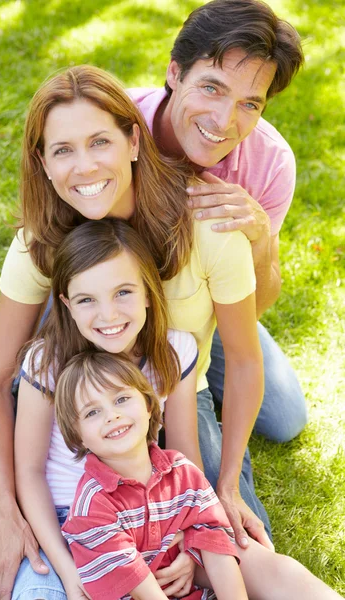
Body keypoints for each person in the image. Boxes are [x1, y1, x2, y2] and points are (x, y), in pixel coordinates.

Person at [0, 58, 280, 598]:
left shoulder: (207, 229)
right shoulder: (40, 241)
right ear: (43, 164)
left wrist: (221, 491)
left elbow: (242, 361)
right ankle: (12, 395)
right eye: (62, 151)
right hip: (67, 380)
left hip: (174, 385)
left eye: (99, 142)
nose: (83, 167)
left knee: (241, 539)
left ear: (132, 141)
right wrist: (7, 514)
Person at [128, 0, 308, 444]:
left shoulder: (270, 162)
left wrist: (261, 238)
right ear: (175, 72)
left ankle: (198, 386)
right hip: (106, 298)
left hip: (206, 307)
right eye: (211, 88)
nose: (224, 121)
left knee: (285, 418)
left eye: (250, 103)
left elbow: (257, 303)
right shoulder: (117, 125)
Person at [13, 218, 203, 599]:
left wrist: (191, 540)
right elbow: (30, 471)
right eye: (87, 300)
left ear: (149, 292)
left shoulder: (175, 351)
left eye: (123, 293)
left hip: (147, 515)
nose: (109, 315)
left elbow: (185, 457)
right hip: (65, 521)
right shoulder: (45, 362)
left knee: (248, 560)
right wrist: (68, 571)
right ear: (66, 305)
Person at [55, 351, 343, 600]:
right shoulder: (91, 506)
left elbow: (214, 543)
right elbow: (140, 587)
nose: (111, 416)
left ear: (149, 404)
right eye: (92, 412)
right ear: (77, 437)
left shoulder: (183, 472)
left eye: (121, 399)